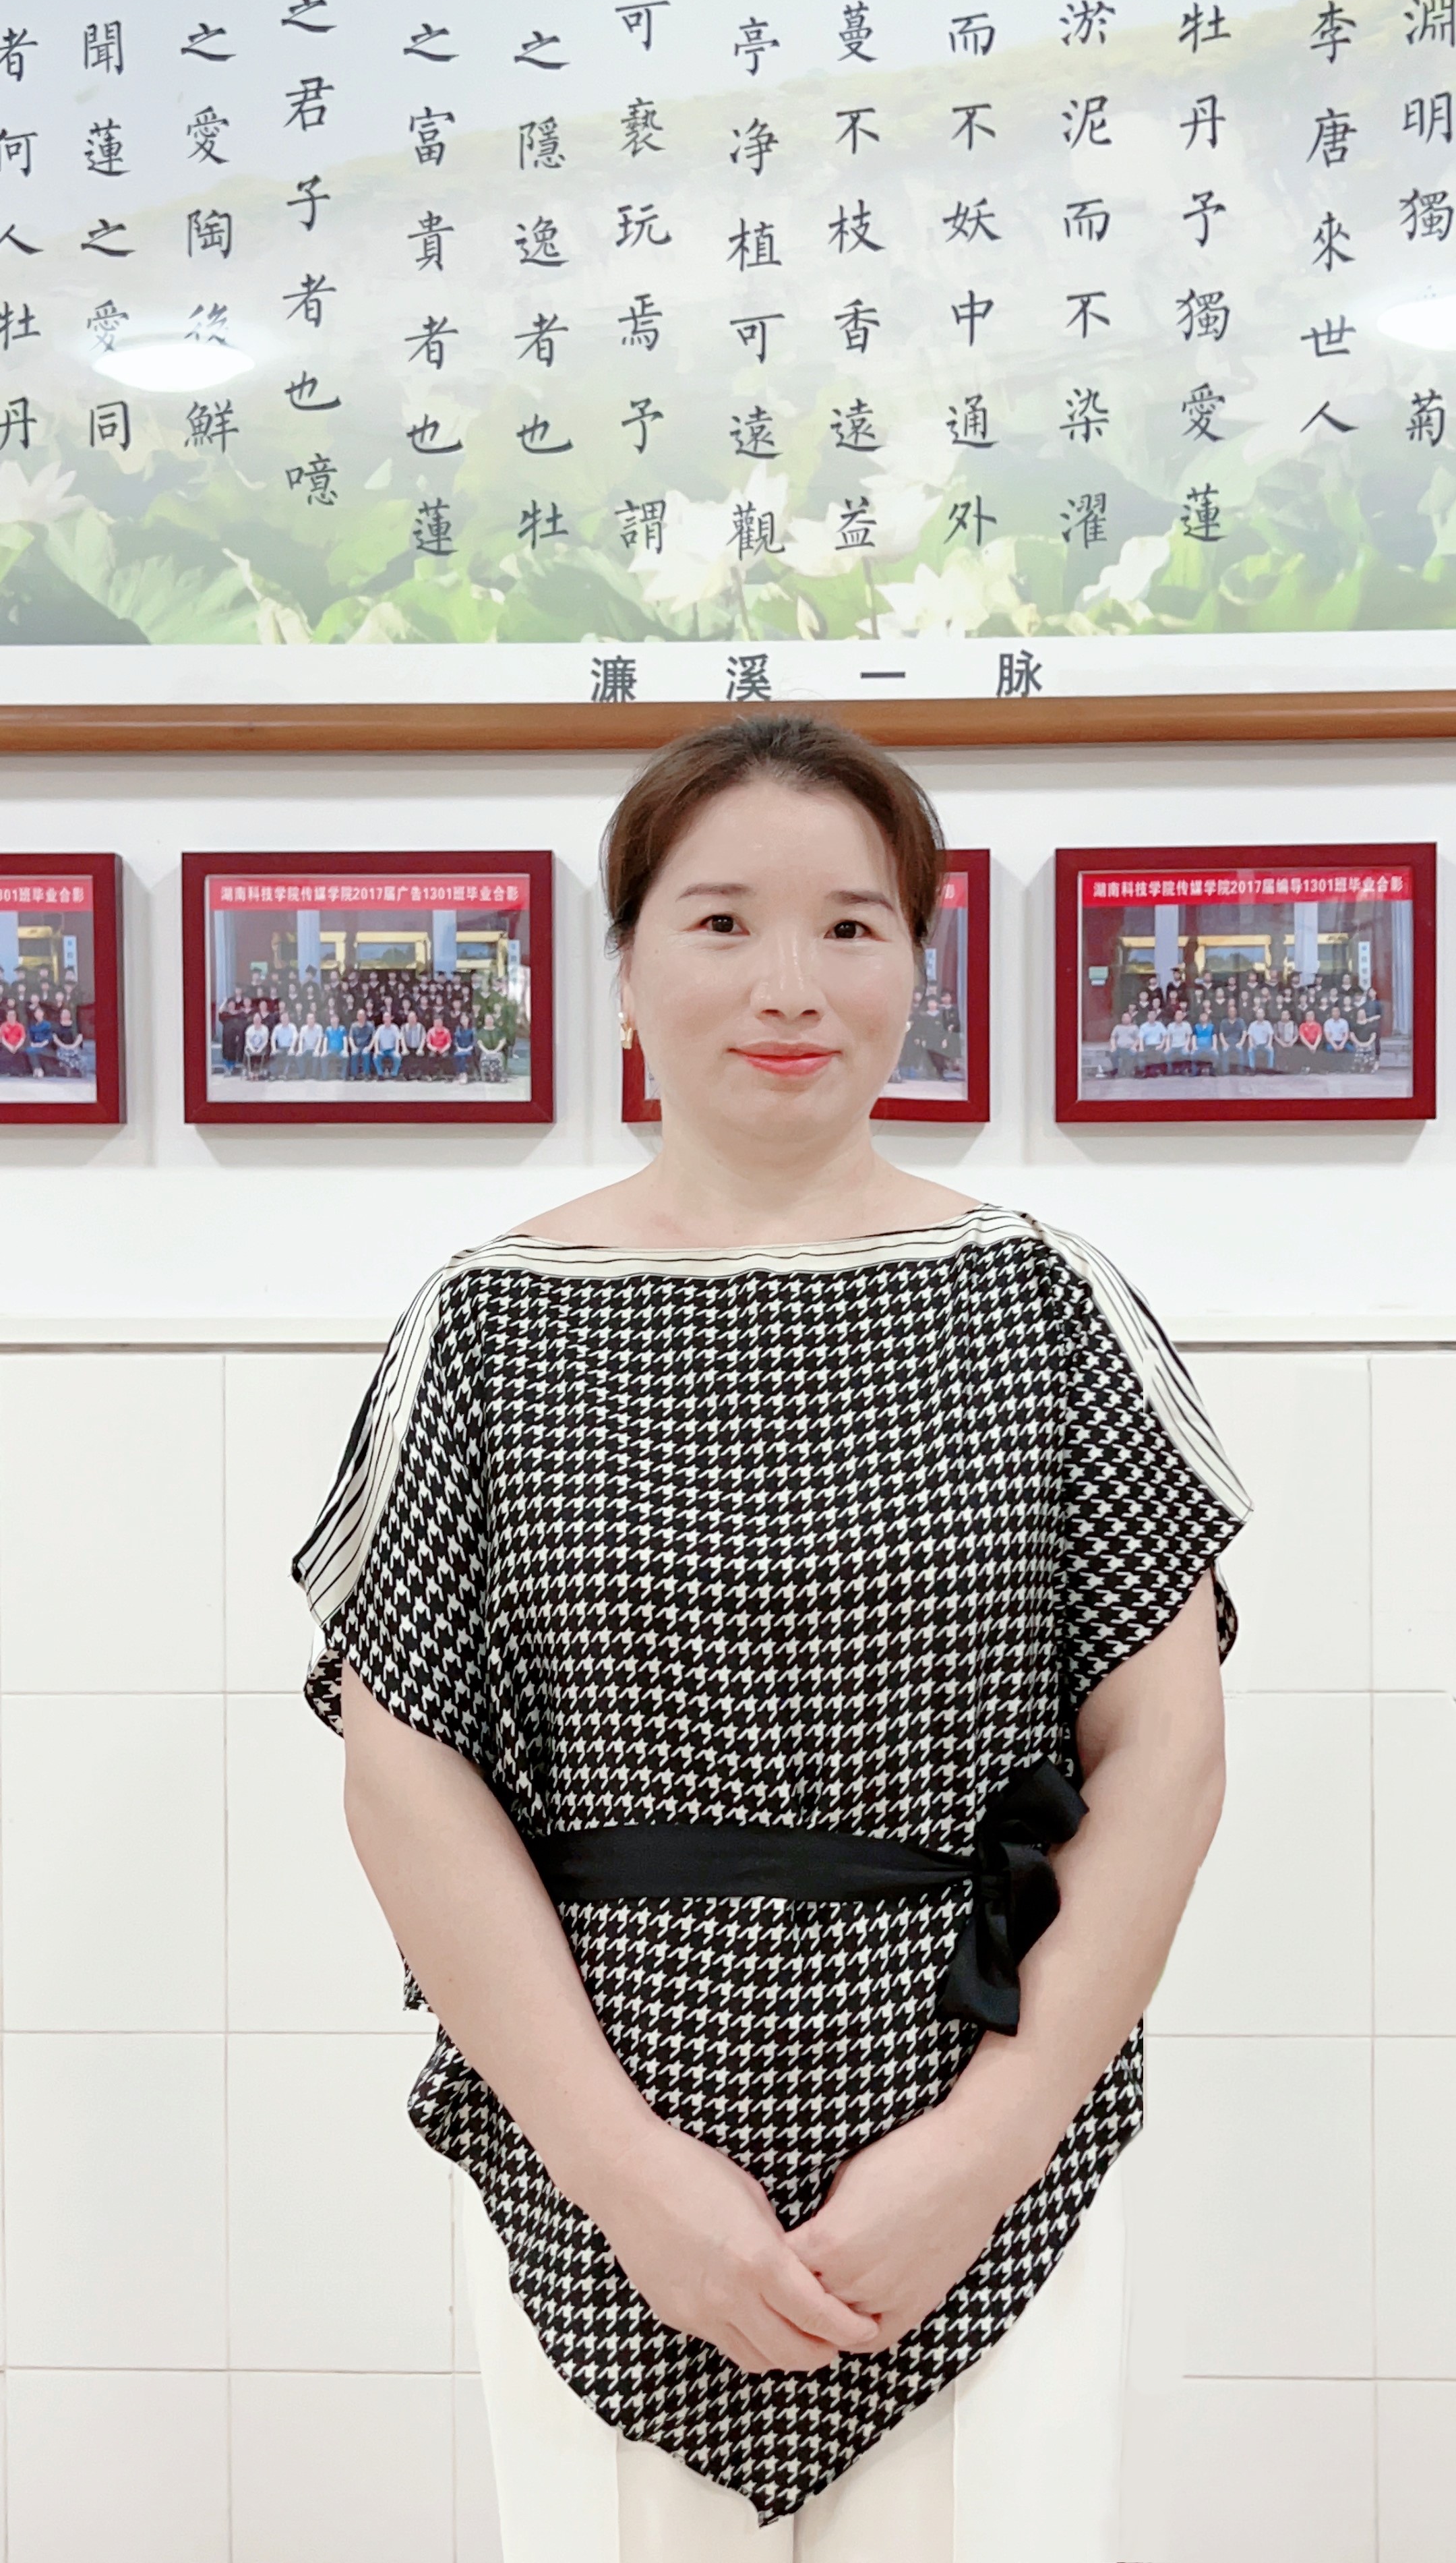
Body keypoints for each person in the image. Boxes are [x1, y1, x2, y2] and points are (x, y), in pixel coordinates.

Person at [292, 713, 1249, 2563]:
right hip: (603, 2142)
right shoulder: (487, 1322)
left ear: (918, 966)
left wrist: (982, 2148)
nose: (788, 986)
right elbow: (408, 1778)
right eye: (722, 922)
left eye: (852, 927)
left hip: (986, 2127)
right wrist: (623, 2170)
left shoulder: (1048, 1301)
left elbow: (1169, 1755)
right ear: (626, 967)